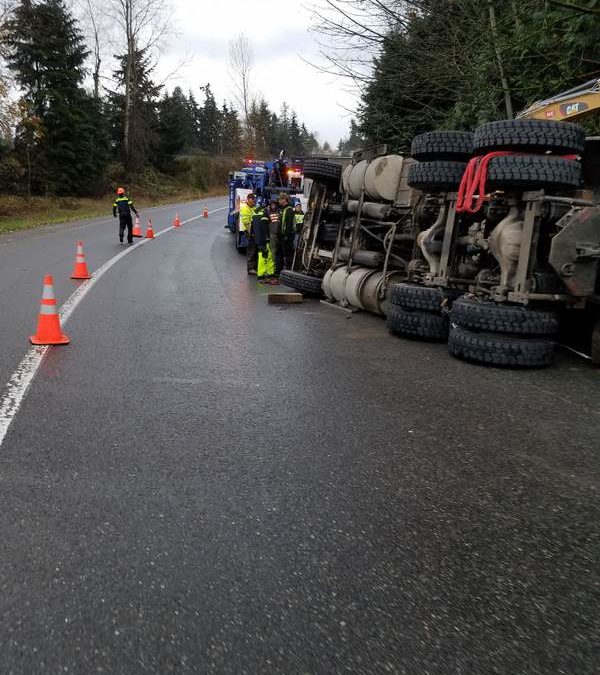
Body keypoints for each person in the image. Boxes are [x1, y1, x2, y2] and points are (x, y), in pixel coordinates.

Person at [252, 201, 277, 284]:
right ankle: (265, 276)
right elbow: (265, 227)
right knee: (267, 256)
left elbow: (253, 227)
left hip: (258, 239)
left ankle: (264, 275)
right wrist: (267, 238)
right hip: (264, 239)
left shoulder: (255, 213)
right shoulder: (264, 214)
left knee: (263, 256)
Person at [240, 193, 257, 274]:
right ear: (248, 199)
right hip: (249, 231)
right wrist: (251, 233)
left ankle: (254, 267)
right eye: (253, 199)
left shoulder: (253, 207)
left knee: (255, 249)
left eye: (254, 199)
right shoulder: (245, 208)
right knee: (251, 249)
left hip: (254, 231)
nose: (254, 201)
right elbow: (246, 223)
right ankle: (250, 269)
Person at [278, 192, 296, 271]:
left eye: (280, 199)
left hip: (286, 237)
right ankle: (280, 270)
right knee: (281, 254)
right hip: (282, 236)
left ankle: (288, 270)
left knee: (287, 254)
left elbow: (289, 225)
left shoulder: (289, 210)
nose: (279, 201)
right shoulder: (283, 209)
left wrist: (286, 236)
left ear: (284, 200)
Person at [267, 197, 281, 275]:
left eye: (274, 204)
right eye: (272, 204)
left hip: (278, 235)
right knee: (272, 252)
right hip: (272, 234)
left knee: (277, 252)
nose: (273, 206)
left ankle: (276, 268)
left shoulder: (279, 212)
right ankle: (272, 268)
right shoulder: (268, 213)